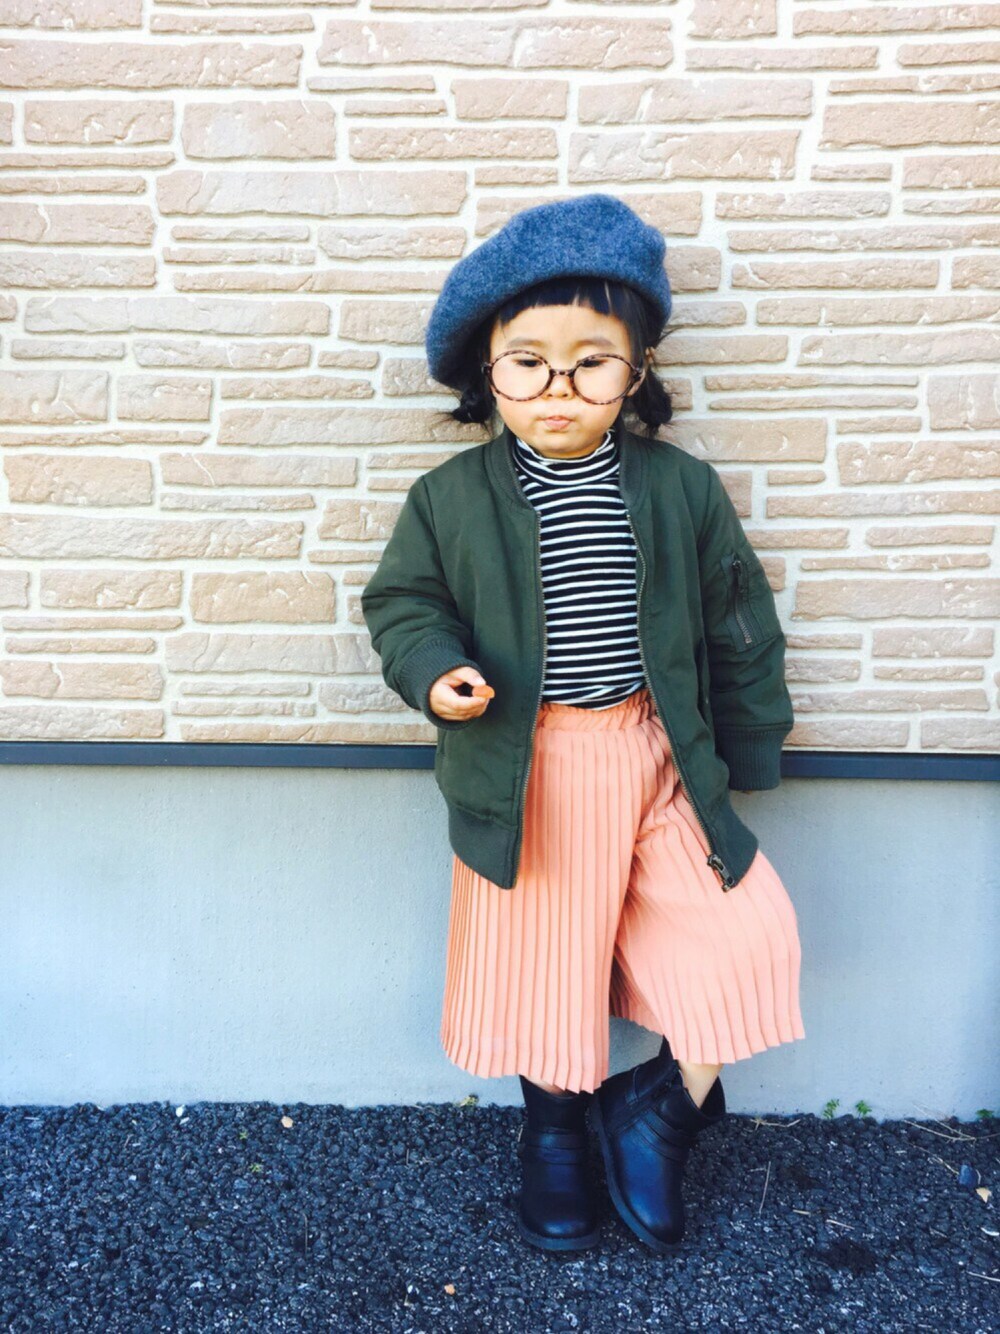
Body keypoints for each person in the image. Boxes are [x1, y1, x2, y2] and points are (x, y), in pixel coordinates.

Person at [361, 193, 806, 1256]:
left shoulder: (679, 488)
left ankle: (657, 1110)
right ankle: (555, 1127)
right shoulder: (450, 497)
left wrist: (748, 744)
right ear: (487, 373)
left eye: (590, 363)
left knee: (746, 934)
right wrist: (436, 671)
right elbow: (403, 602)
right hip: (530, 764)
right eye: (528, 363)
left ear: (635, 372)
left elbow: (740, 619)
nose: (558, 388)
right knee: (544, 964)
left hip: (658, 753)